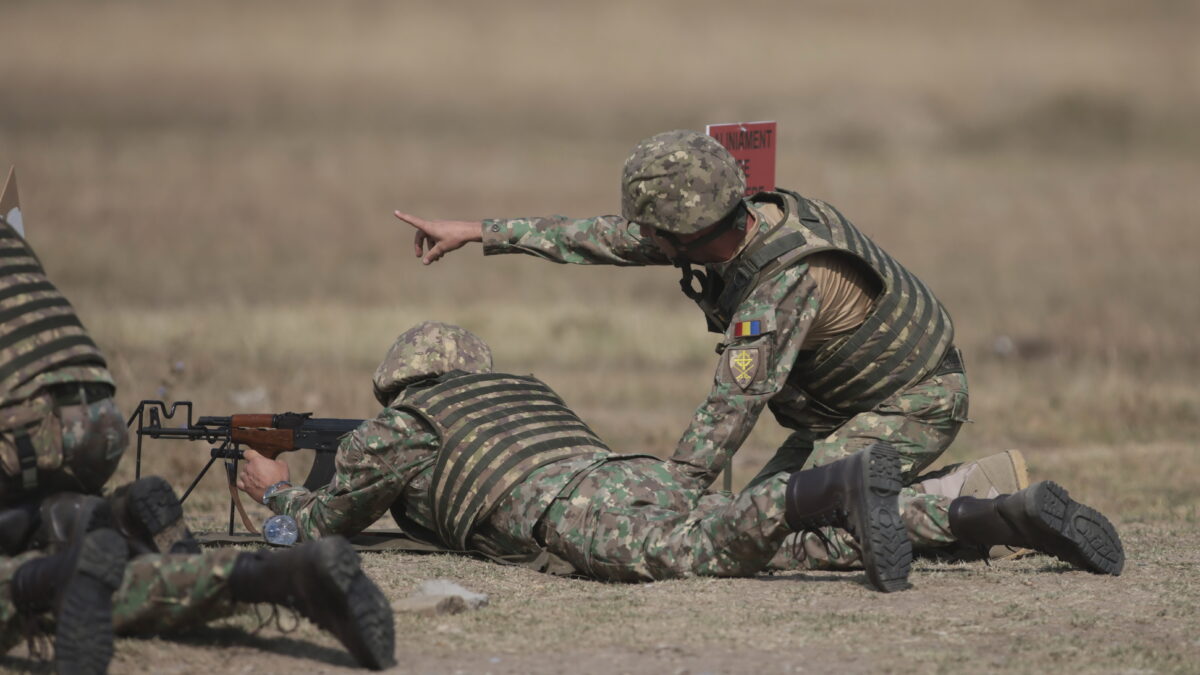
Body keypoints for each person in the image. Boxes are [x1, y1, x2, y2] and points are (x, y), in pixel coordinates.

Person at [391, 130, 1125, 574]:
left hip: (912, 404)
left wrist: (667, 509)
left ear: (689, 231)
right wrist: (483, 230)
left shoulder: (782, 286)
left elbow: (728, 412)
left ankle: (977, 506)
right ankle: (976, 498)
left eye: (657, 234)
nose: (645, 243)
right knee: (756, 515)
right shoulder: (750, 211)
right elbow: (606, 239)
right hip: (843, 406)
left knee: (779, 530)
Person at [238, 322, 1121, 598]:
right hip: (639, 473)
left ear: (399, 383)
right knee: (783, 548)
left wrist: (273, 494)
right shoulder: (519, 390)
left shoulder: (405, 421)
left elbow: (322, 525)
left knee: (712, 549)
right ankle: (982, 514)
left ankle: (829, 486)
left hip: (573, 512)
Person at [0, 179, 395, 673]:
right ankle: (263, 575)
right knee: (69, 550)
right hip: (94, 414)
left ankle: (46, 577)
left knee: (56, 573)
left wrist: (284, 499)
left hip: (19, 429)